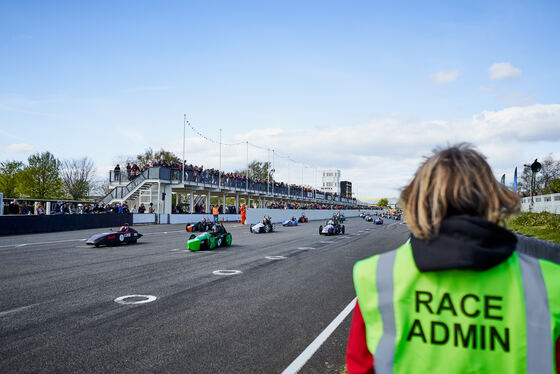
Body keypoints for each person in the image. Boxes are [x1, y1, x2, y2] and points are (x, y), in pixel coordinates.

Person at [346, 144, 560, 374]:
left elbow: (360, 367)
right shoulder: (549, 285)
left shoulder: (377, 276)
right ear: (493, 200)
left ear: (418, 202)